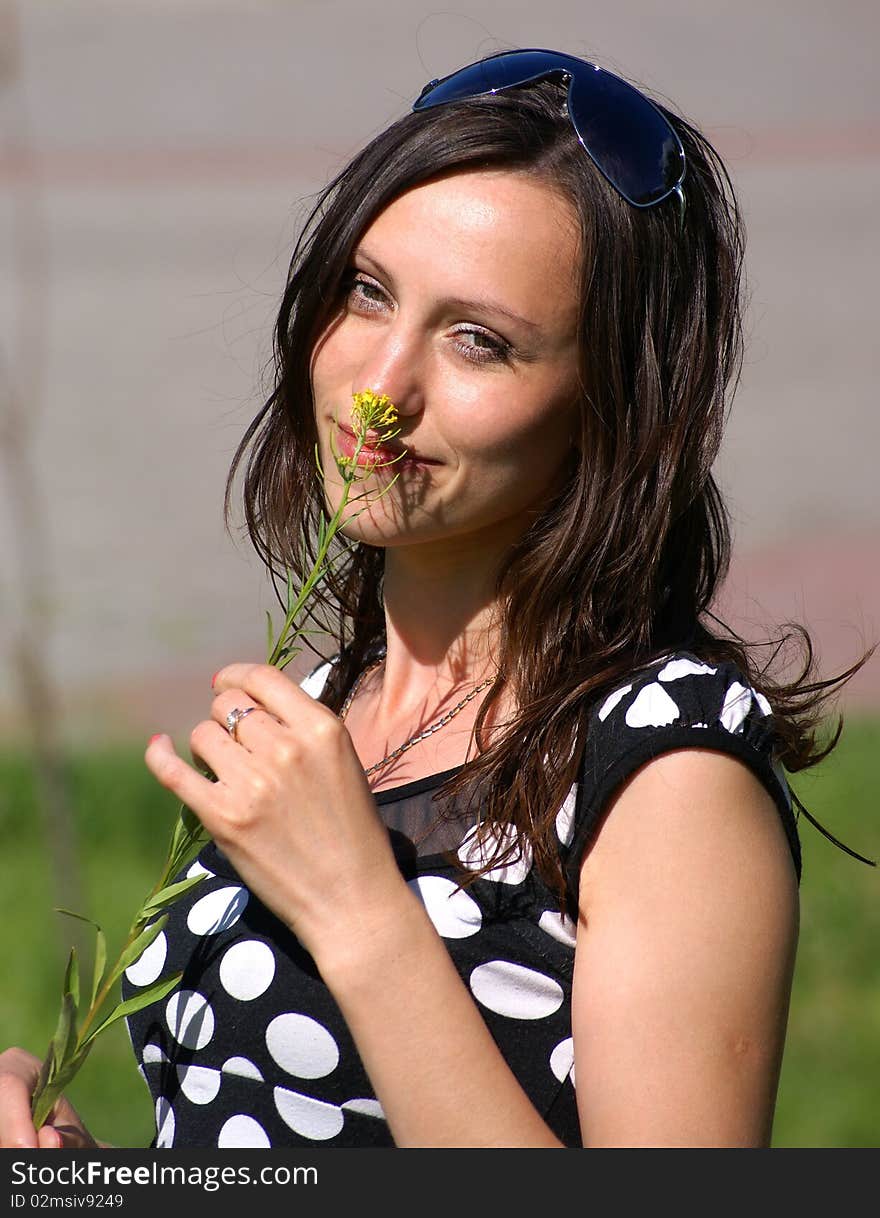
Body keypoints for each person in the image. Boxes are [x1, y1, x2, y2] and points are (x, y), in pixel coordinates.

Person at [1, 47, 873, 1151]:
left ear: (611, 408)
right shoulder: (331, 702)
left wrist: (362, 918)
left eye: (479, 342)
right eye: (368, 294)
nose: (381, 388)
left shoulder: (662, 774)